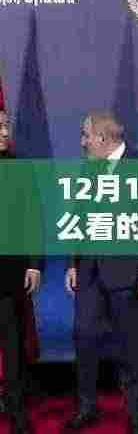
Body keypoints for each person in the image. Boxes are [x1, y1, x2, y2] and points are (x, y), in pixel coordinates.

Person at [64, 111, 138, 434]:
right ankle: (87, 407)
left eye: (86, 135)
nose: (82, 142)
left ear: (102, 139)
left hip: (129, 274)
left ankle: (135, 415)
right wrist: (72, 263)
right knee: (83, 336)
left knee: (131, 346)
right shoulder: (89, 167)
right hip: (90, 272)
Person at [0, 109, 42, 434]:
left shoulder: (20, 168)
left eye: (5, 125)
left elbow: (33, 219)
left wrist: (34, 263)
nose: (5, 131)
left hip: (9, 273)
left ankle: (17, 410)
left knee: (13, 344)